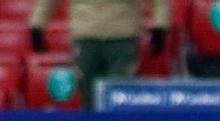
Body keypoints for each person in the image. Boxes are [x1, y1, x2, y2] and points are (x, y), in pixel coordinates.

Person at [29, 0, 170, 109]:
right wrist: (37, 26)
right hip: (87, 36)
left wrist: (161, 26)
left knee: (118, 92)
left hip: (122, 37)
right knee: (87, 91)